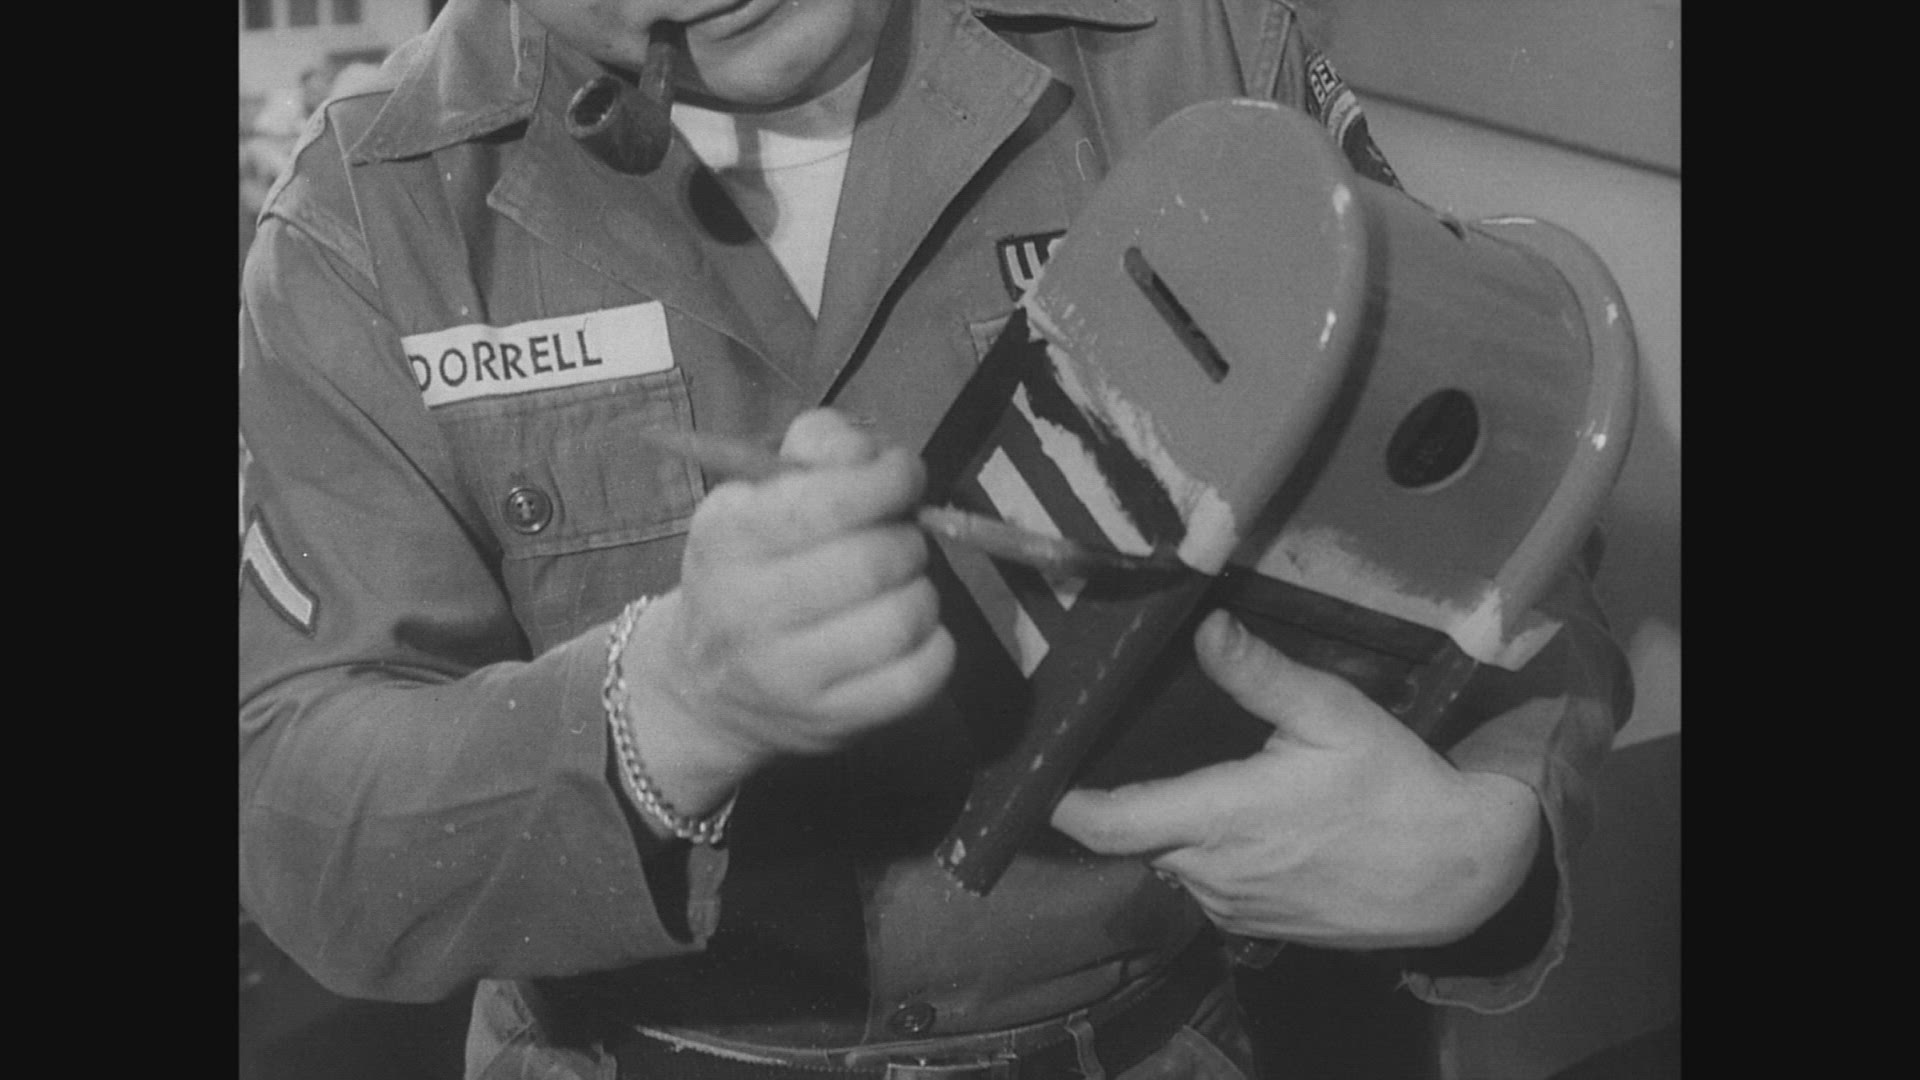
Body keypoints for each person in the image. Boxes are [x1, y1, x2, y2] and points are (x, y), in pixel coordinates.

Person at [237, 3, 1630, 1079]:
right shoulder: (370, 212)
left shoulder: (1182, 53)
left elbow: (1498, 518)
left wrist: (1492, 845)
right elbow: (300, 819)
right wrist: (663, 709)